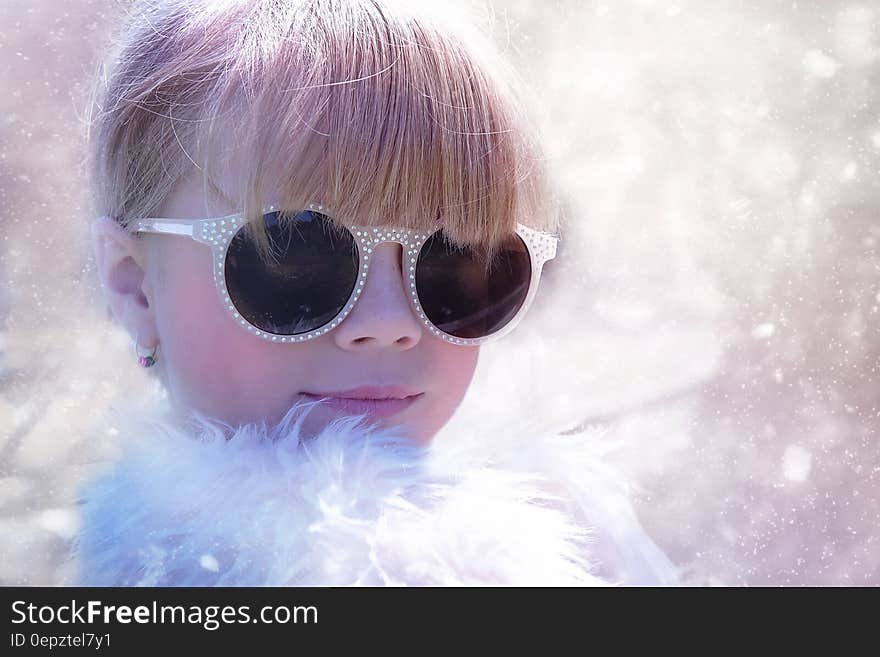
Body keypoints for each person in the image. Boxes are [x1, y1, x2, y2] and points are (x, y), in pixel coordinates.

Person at [71, 0, 679, 586]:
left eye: (460, 260)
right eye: (295, 259)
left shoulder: (580, 543)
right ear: (136, 287)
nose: (391, 322)